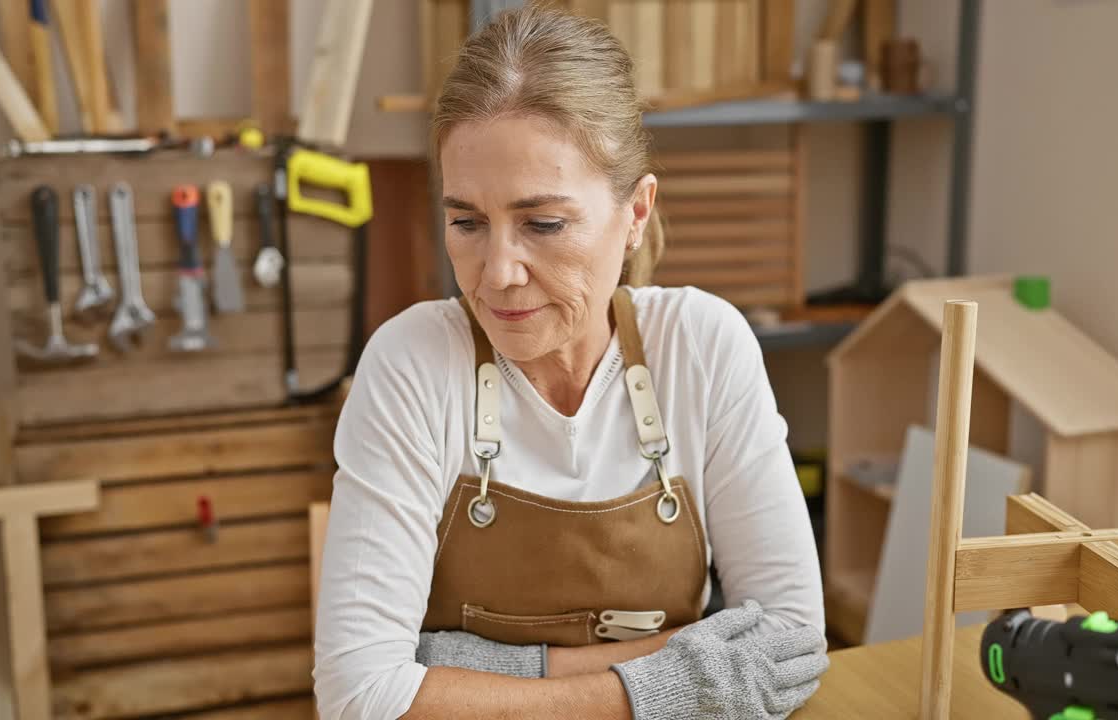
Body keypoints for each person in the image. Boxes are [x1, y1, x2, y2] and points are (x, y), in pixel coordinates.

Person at [313, 6, 827, 719]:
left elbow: (791, 645)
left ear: (636, 211)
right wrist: (666, 683)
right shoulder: (412, 365)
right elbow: (360, 697)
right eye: (466, 221)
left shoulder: (702, 346)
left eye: (543, 224)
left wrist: (451, 664)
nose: (497, 274)